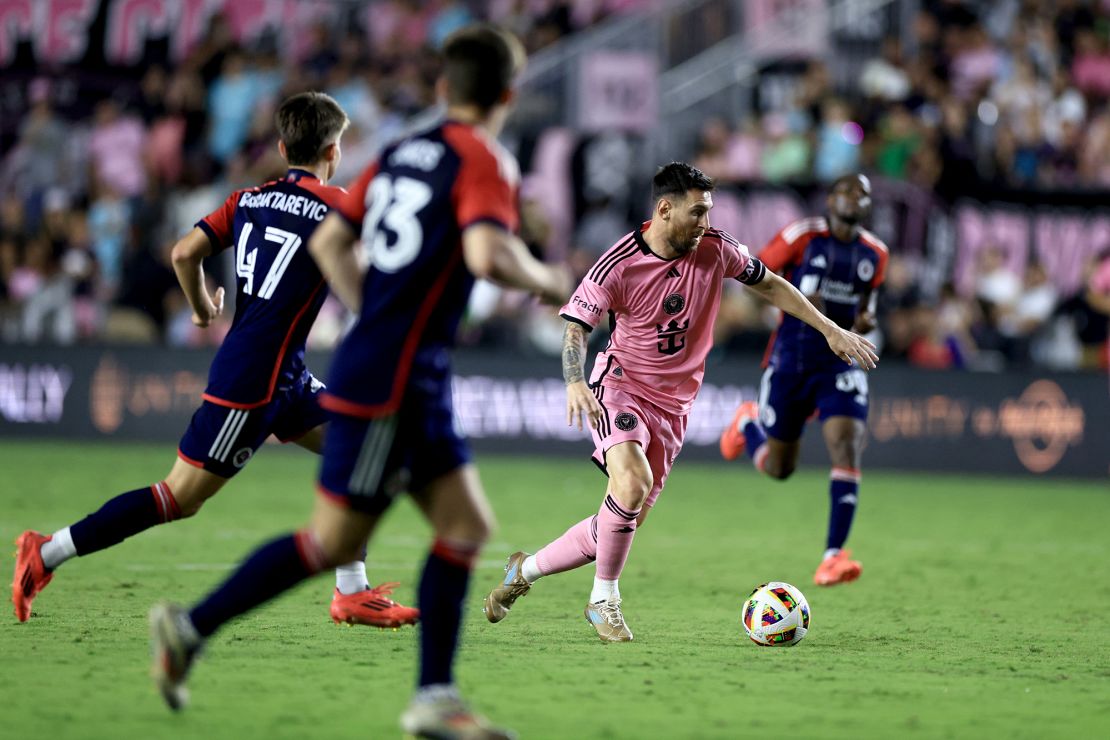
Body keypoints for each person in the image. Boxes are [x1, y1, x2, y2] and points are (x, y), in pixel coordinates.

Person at [147, 25, 570, 739]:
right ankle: (193, 628)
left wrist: (373, 308)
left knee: (464, 526)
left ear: (443, 90)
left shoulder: (401, 152)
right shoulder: (485, 158)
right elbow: (486, 252)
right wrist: (547, 275)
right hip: (397, 376)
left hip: (399, 363)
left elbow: (332, 241)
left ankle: (434, 696)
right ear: (507, 95)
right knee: (333, 541)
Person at [12, 92, 417, 629]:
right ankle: (45, 553)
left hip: (281, 373)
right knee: (177, 498)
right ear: (333, 152)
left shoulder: (247, 198)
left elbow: (184, 252)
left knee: (367, 445)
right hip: (252, 381)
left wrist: (203, 308)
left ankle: (352, 591)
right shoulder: (337, 206)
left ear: (281, 147)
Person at [483, 163, 878, 642]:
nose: (705, 223)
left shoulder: (717, 250)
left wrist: (831, 330)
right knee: (631, 484)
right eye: (697, 213)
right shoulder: (619, 263)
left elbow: (771, 283)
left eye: (709, 212)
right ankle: (603, 602)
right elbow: (576, 327)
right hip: (622, 385)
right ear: (664, 210)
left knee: (616, 522)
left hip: (675, 407)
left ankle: (525, 571)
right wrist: (573, 381)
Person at [719, 173, 889, 587]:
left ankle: (833, 556)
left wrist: (865, 318)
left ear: (868, 206)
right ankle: (747, 422)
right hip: (791, 360)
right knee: (779, 469)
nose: (854, 198)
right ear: (831, 199)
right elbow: (753, 275)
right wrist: (792, 301)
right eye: (847, 191)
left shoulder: (875, 254)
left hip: (840, 361)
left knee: (846, 444)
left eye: (862, 194)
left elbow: (868, 308)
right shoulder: (801, 235)